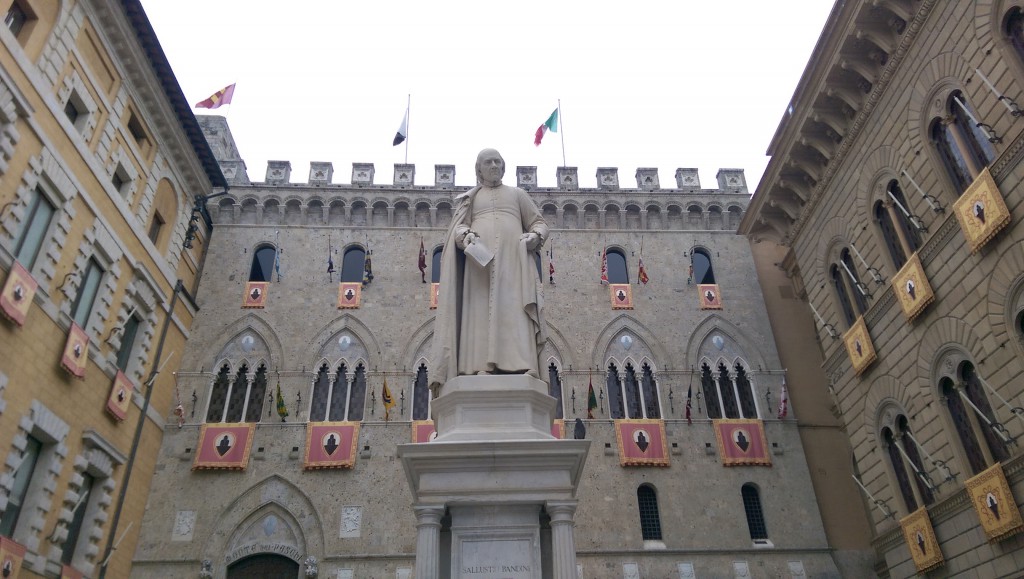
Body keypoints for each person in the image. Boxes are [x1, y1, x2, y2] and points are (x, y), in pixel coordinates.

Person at [432, 149, 548, 390]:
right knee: (479, 313)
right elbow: (458, 227)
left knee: (515, 308)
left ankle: (524, 363)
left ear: (504, 167)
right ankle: (478, 365)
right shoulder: (470, 199)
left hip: (513, 264)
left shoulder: (518, 195)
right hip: (479, 268)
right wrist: (464, 236)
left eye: (498, 162)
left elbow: (539, 222)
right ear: (479, 169)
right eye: (488, 162)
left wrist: (536, 236)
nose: (494, 165)